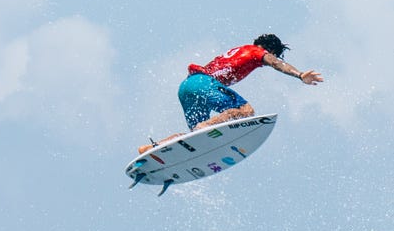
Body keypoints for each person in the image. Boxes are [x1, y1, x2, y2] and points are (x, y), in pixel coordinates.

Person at [138, 34, 322, 153]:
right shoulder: (258, 52)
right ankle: (204, 127)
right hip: (203, 84)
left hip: (187, 85)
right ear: (270, 50)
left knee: (192, 136)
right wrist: (300, 75)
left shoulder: (239, 50)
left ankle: (152, 148)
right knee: (246, 111)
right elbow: (275, 63)